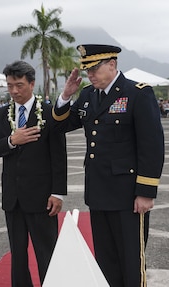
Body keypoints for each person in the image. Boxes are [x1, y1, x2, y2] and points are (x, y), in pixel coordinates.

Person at [53, 44, 164, 286]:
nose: (90, 75)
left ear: (112, 65)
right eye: (87, 70)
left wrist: (145, 192)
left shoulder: (137, 93)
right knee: (105, 262)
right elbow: (61, 126)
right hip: (98, 193)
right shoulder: (87, 95)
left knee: (131, 263)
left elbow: (152, 146)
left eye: (94, 68)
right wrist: (65, 96)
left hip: (127, 196)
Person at [0, 60, 67, 287]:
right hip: (13, 198)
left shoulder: (49, 113)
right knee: (17, 255)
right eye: (10, 85)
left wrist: (58, 192)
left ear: (32, 84)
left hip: (42, 198)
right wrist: (12, 140)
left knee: (46, 252)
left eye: (19, 85)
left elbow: (59, 156)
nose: (14, 91)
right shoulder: (2, 115)